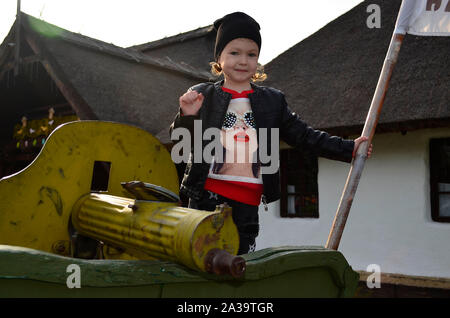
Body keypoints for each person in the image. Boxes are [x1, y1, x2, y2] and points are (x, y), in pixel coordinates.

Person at [170, 12, 372, 255]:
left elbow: (304, 136)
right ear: (219, 58)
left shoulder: (272, 101)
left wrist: (348, 148)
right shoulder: (203, 95)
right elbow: (180, 142)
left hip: (247, 201)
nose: (243, 60)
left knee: (239, 262)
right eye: (234, 53)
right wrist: (187, 115)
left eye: (251, 54)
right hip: (205, 197)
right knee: (200, 258)